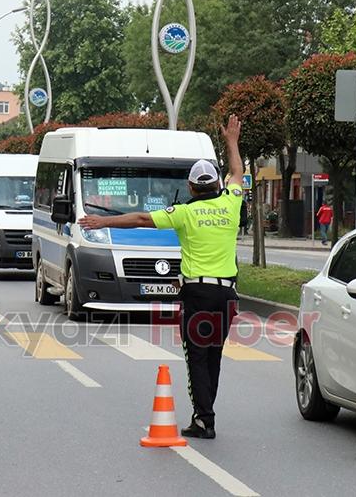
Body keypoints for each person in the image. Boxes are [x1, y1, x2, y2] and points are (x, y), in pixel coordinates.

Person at [79, 115, 245, 439]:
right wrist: (233, 142)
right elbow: (238, 171)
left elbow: (141, 217)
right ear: (217, 185)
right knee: (213, 356)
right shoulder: (231, 204)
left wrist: (103, 222)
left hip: (197, 295)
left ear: (192, 187)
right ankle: (206, 413)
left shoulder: (183, 212)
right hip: (227, 296)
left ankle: (203, 420)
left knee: (196, 355)